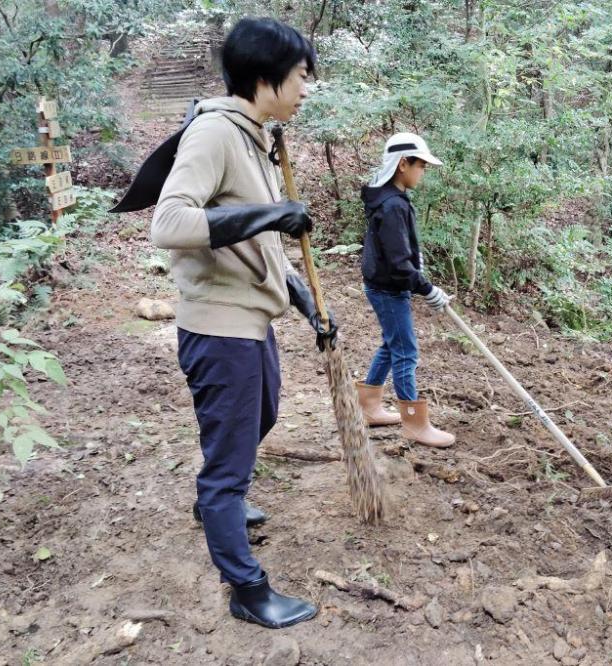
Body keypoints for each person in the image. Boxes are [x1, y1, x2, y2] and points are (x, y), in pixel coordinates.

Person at [149, 17, 334, 629]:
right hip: (219, 326)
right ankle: (247, 588)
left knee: (264, 416)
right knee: (229, 468)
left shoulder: (256, 137)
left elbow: (259, 244)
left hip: (252, 320)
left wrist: (305, 302)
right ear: (265, 76)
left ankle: (217, 503)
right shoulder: (214, 133)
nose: (306, 88)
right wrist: (271, 213)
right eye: (301, 76)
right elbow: (169, 224)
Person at [355, 133, 455, 448]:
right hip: (388, 288)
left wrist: (421, 281)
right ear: (402, 164)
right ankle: (414, 424)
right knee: (406, 351)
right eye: (420, 165)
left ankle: (369, 407)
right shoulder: (391, 205)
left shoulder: (392, 199)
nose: (422, 172)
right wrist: (427, 289)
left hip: (385, 285)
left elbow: (401, 254)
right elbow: (399, 263)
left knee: (392, 344)